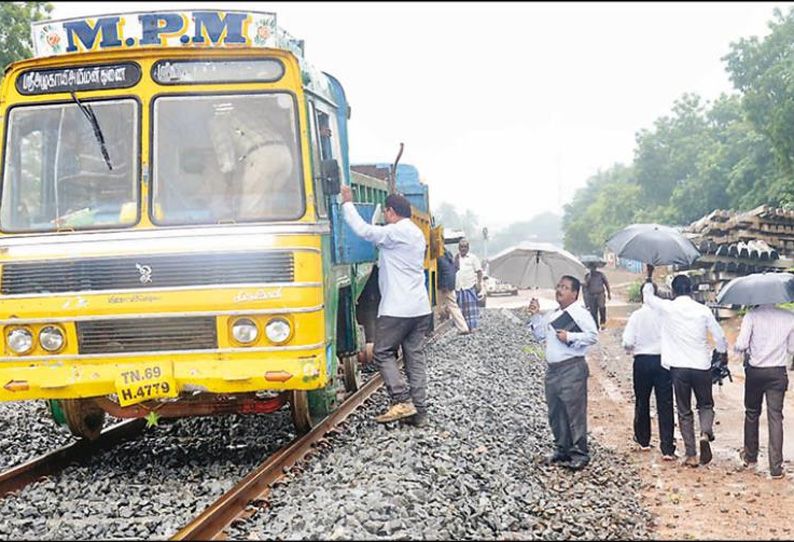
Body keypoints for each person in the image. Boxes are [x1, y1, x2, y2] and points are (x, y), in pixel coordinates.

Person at [340, 185, 432, 427]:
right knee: (414, 358)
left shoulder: (395, 233)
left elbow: (364, 231)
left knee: (382, 352)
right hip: (420, 308)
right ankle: (419, 412)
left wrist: (348, 203)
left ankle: (401, 399)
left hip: (397, 309)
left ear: (390, 212)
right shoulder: (415, 233)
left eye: (386, 215)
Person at [642, 266, 728, 468]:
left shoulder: (667, 308)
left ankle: (690, 454)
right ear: (691, 290)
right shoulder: (703, 310)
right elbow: (720, 337)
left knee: (684, 410)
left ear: (673, 291)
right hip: (701, 365)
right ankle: (705, 432)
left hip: (679, 367)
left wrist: (648, 276)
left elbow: (648, 297)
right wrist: (721, 353)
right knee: (705, 405)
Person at [528, 275, 599, 471]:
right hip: (553, 370)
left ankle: (579, 453)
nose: (560, 290)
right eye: (559, 286)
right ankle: (562, 448)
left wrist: (570, 336)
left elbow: (593, 337)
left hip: (572, 367)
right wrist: (535, 315)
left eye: (565, 287)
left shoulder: (580, 313)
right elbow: (539, 335)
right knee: (556, 411)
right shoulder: (553, 313)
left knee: (574, 412)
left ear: (575, 293)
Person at [733, 303, 794, 479]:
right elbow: (791, 349)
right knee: (775, 417)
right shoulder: (789, 316)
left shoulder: (751, 316)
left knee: (752, 413)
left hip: (756, 372)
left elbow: (742, 344)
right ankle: (776, 467)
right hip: (778, 372)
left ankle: (750, 458)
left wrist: (743, 350)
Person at [209, 103, 294, 219]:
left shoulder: (217, 120)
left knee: (250, 212)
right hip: (285, 154)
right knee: (267, 208)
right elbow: (281, 121)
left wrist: (229, 186)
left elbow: (225, 152)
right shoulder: (246, 109)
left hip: (262, 155)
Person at [622, 282, 676, 460]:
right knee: (665, 404)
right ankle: (667, 448)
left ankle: (643, 440)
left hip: (642, 361)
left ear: (641, 296)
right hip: (663, 362)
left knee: (642, 400)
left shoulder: (636, 316)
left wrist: (632, 351)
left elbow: (627, 342)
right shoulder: (665, 315)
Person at [436, 250, 469, 334]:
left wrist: (444, 286)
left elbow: (444, 271)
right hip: (450, 284)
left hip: (443, 285)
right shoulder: (447, 254)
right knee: (452, 306)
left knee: (438, 307)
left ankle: (435, 326)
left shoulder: (437, 256)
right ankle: (463, 327)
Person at [455, 239, 483, 331]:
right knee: (461, 309)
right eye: (461, 247)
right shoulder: (456, 258)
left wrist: (479, 283)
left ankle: (473, 326)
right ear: (459, 248)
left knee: (472, 309)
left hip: (470, 286)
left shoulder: (473, 258)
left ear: (468, 248)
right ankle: (463, 327)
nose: (463, 248)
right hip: (459, 287)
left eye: (465, 247)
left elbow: (479, 271)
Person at [583, 263, 611, 330]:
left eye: (594, 268)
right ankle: (596, 325)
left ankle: (602, 323)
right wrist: (589, 278)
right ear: (589, 269)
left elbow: (606, 283)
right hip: (591, 296)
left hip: (600, 295)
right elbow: (585, 286)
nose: (592, 269)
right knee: (593, 311)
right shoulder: (587, 276)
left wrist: (609, 293)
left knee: (602, 308)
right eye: (591, 268)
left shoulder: (601, 275)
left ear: (596, 268)